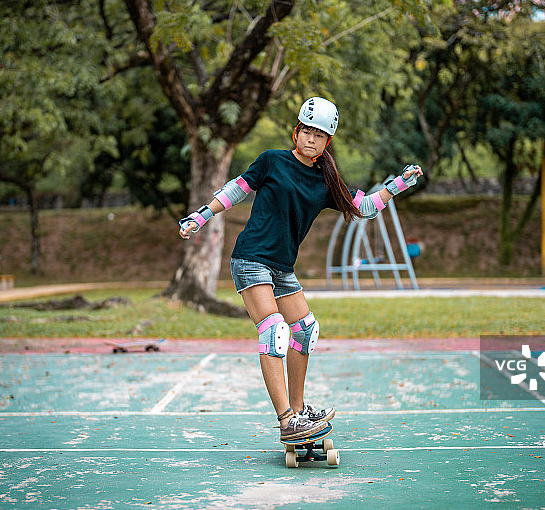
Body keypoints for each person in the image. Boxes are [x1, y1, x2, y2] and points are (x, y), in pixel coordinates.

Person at [179, 96, 423, 441]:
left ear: (327, 143)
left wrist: (399, 184)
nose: (311, 138)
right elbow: (237, 190)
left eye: (319, 135)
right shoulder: (272, 161)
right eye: (306, 131)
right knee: (274, 332)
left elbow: (365, 207)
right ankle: (285, 420)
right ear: (296, 132)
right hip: (251, 259)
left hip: (281, 267)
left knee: (306, 331)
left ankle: (298, 409)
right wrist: (201, 215)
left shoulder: (327, 181)